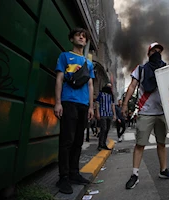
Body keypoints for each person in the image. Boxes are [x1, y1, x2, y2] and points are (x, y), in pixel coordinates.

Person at [122, 42, 169, 190]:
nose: (157, 53)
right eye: (154, 50)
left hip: (162, 112)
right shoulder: (141, 69)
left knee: (161, 143)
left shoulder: (166, 69)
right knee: (140, 144)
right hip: (145, 112)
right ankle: (134, 174)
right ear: (148, 54)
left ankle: (163, 170)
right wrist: (124, 104)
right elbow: (132, 86)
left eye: (159, 51)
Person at [54, 28, 95, 194]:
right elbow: (59, 78)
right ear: (72, 39)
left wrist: (91, 106)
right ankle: (63, 178)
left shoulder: (89, 63)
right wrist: (58, 103)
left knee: (78, 141)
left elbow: (90, 85)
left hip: (83, 105)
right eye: (78, 35)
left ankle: (74, 173)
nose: (81, 37)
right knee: (67, 141)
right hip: (68, 102)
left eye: (84, 36)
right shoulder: (64, 56)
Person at [96, 83, 116, 151]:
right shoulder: (101, 94)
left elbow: (112, 105)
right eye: (108, 86)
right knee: (103, 129)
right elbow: (97, 103)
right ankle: (100, 144)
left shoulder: (111, 95)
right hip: (103, 114)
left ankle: (103, 144)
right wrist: (98, 113)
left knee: (107, 130)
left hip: (109, 114)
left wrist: (114, 114)